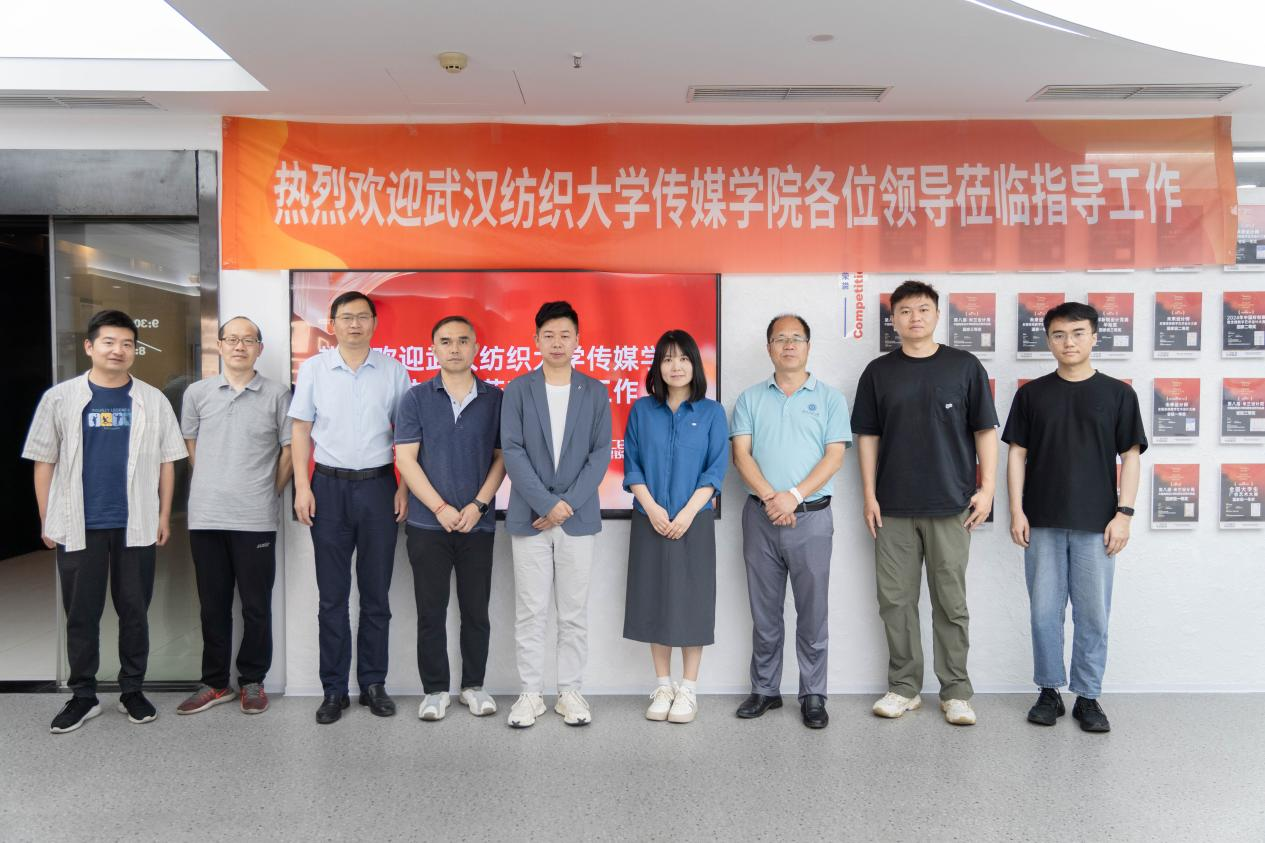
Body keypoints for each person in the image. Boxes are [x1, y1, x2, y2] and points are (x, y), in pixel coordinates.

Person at [23, 310, 186, 733]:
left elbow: (168, 462)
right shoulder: (60, 398)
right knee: (81, 613)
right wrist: (46, 517)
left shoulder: (153, 399)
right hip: (78, 523)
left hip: (136, 523)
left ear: (135, 351)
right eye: (109, 342)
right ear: (90, 346)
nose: (118, 350)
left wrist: (164, 515)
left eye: (127, 344)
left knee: (134, 610)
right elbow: (43, 461)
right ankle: (83, 695)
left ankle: (132, 690)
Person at [850, 280, 998, 727]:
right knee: (895, 602)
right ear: (893, 320)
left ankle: (956, 692)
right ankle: (904, 687)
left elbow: (985, 430)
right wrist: (869, 494)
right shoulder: (879, 372)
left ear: (936, 315)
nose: (914, 317)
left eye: (923, 309)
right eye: (905, 311)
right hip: (892, 507)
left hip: (951, 505)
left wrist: (988, 488)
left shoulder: (964, 366)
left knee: (951, 603)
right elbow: (867, 437)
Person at [1002, 301, 1146, 733]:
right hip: (1042, 520)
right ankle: (1048, 691)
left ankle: (1087, 696)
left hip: (1098, 524)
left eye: (1078, 333)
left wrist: (1124, 514)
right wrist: (1016, 509)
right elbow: (1017, 454)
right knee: (1044, 613)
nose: (1069, 342)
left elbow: (1131, 457)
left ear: (1094, 337)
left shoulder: (1118, 394)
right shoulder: (1032, 394)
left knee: (1093, 615)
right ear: (1049, 341)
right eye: (1059, 335)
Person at [289, 291, 411, 725]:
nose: (354, 324)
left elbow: (408, 436)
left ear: (375, 323)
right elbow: (300, 429)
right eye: (346, 317)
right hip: (328, 488)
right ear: (332, 324)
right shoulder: (314, 369)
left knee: (376, 595)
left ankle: (374, 683)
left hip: (379, 487)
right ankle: (334, 689)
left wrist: (404, 488)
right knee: (332, 597)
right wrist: (302, 486)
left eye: (362, 317)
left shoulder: (394, 371)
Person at [730, 314, 850, 729]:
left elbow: (835, 456)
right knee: (764, 612)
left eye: (796, 338)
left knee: (812, 613)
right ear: (769, 348)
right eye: (780, 338)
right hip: (760, 518)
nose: (789, 345)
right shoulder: (750, 398)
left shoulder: (830, 399)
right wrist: (771, 497)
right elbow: (741, 454)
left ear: (808, 346)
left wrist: (793, 496)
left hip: (811, 519)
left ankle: (813, 693)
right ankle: (765, 689)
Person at [500, 301, 612, 728]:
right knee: (530, 611)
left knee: (573, 612)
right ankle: (531, 694)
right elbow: (513, 451)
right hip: (530, 519)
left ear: (578, 340)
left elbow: (600, 454)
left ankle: (570, 692)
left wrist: (565, 506)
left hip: (577, 520)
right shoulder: (518, 389)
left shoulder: (595, 391)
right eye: (549, 335)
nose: (557, 342)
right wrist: (548, 504)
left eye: (565, 335)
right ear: (536, 341)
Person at [176, 316, 292, 717]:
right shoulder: (197, 393)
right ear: (220, 345)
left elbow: (289, 451)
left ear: (260, 348)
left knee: (256, 606)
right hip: (206, 516)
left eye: (248, 340)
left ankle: (253, 680)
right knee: (213, 604)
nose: (240, 346)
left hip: (255, 516)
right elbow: (191, 443)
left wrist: (267, 491)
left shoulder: (278, 394)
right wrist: (214, 481)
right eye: (232, 339)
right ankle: (214, 683)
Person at [395, 315, 506, 721]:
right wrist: (440, 508)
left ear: (476, 347)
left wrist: (478, 505)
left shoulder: (496, 399)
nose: (455, 348)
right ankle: (435, 690)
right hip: (428, 526)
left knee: (476, 611)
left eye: (462, 340)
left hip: (478, 525)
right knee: (431, 611)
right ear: (434, 349)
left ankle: (473, 686)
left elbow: (502, 458)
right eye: (445, 341)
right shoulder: (415, 398)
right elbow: (406, 459)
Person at [622, 330, 728, 724]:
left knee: (692, 601)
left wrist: (687, 513)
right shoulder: (642, 411)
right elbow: (632, 465)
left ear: (695, 365)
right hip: (649, 519)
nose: (676, 366)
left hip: (694, 521)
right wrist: (651, 508)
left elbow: (715, 470)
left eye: (683, 358)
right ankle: (663, 685)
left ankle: (688, 689)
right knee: (655, 598)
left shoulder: (712, 413)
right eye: (667, 359)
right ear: (658, 367)